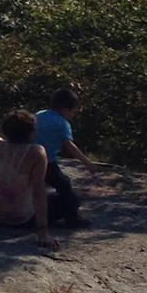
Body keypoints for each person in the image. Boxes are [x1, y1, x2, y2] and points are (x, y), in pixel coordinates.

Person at [0, 109, 61, 250]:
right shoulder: (36, 152)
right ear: (31, 132)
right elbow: (38, 192)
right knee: (70, 200)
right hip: (17, 217)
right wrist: (42, 232)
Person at [35, 88, 96, 228]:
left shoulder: (39, 115)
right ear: (65, 109)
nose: (73, 115)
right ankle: (72, 217)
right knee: (64, 185)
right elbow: (69, 146)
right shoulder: (63, 123)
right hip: (47, 161)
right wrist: (87, 162)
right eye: (73, 112)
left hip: (29, 157)